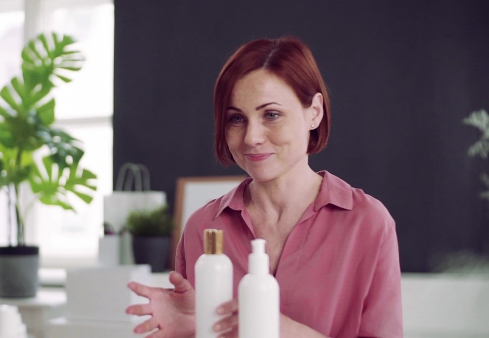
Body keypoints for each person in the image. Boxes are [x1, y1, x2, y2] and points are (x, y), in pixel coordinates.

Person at [126, 36, 403, 338]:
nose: (251, 137)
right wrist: (188, 332)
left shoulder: (368, 223)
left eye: (271, 115)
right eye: (236, 118)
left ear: (314, 112)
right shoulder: (203, 227)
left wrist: (286, 332)